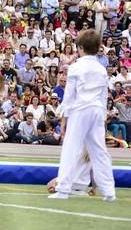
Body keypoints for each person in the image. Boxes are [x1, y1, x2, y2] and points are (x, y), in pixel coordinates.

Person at [49, 29, 116, 201]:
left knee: (71, 147)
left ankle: (63, 189)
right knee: (99, 151)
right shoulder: (101, 69)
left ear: (80, 48)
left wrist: (64, 117)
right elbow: (103, 96)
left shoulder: (76, 67)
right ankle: (109, 191)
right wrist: (102, 117)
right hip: (96, 110)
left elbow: (70, 95)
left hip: (81, 109)